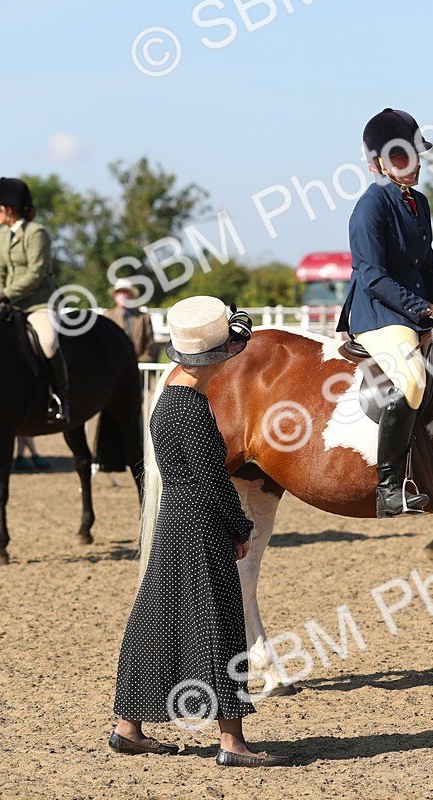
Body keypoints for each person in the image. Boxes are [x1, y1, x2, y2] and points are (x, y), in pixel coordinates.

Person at [110, 295, 291, 768]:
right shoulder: (192, 409)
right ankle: (232, 743)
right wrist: (241, 528)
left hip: (174, 525)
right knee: (222, 627)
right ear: (214, 356)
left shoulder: (170, 401)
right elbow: (213, 481)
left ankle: (128, 726)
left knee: (154, 622)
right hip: (200, 529)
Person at [335, 107, 433, 518]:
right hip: (378, 314)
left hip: (413, 309)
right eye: (404, 157)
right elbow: (371, 275)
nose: (416, 163)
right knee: (412, 380)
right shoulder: (370, 207)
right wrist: (422, 307)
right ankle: (389, 487)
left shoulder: (418, 203)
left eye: (417, 154)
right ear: (379, 165)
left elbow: (426, 266)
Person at [0, 177, 69, 424]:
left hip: (39, 302)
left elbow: (36, 274)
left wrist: (4, 294)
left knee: (48, 342)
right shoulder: (2, 235)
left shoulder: (37, 233)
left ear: (9, 210)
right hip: (9, 302)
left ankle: (60, 397)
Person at [105, 278, 158, 362]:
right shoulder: (107, 316)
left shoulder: (143, 318)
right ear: (115, 296)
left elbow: (150, 345)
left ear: (132, 295)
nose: (123, 295)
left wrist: (138, 362)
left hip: (139, 368)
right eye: (120, 292)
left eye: (126, 292)